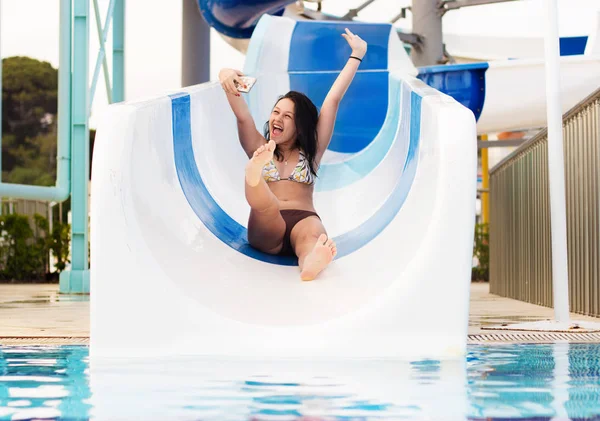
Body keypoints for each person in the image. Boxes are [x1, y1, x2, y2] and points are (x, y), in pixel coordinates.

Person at [218, 28, 367, 281]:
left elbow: (332, 100)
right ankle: (253, 174)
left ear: (300, 127)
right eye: (276, 112)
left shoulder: (312, 150)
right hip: (267, 224)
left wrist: (357, 55)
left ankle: (310, 262)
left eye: (287, 116)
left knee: (311, 235)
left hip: (303, 217)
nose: (278, 118)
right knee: (267, 206)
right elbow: (242, 115)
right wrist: (225, 74)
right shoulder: (259, 146)